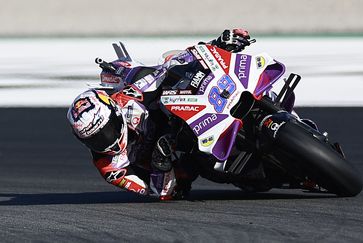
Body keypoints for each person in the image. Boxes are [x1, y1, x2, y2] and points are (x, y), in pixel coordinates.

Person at [66, 29, 254, 200]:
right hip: (179, 157)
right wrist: (160, 160)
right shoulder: (111, 168)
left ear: (114, 111)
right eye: (94, 140)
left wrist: (218, 45)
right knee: (185, 177)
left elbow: (170, 66)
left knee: (171, 63)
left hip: (182, 113)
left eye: (106, 132)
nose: (105, 142)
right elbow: (157, 191)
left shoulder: (128, 97)